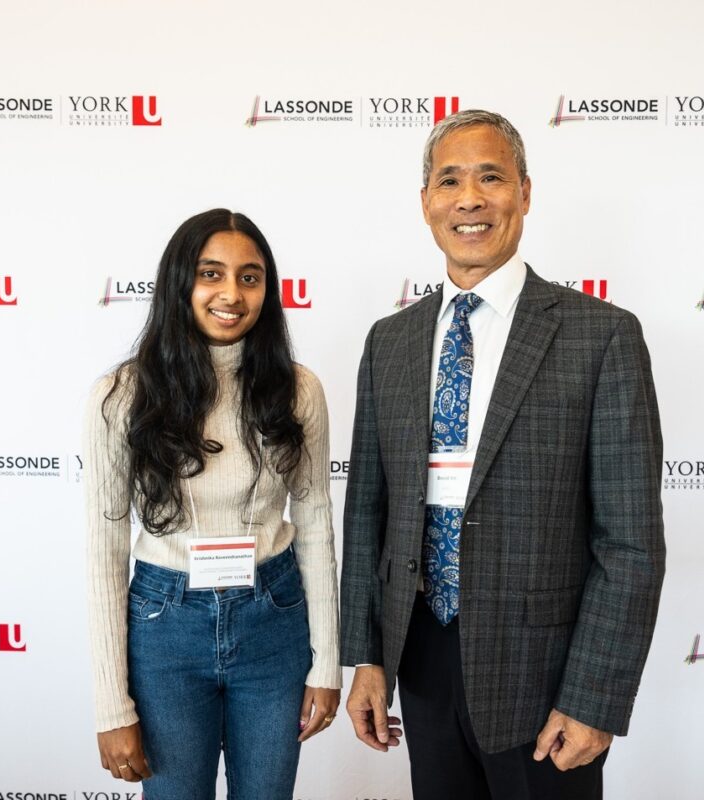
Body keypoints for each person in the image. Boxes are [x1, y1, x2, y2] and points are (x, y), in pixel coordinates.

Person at [340, 110, 665, 799]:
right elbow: (368, 510)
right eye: (449, 181)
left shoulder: (599, 337)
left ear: (524, 191)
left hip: (544, 680)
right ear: (426, 200)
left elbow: (630, 541)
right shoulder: (389, 342)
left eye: (491, 178)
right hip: (422, 659)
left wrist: (594, 697)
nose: (470, 199)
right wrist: (366, 657)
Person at [84, 208, 341, 799]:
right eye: (211, 274)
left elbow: (317, 524)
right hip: (164, 628)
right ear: (181, 284)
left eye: (250, 277)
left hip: (273, 623)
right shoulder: (121, 398)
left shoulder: (300, 391)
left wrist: (327, 662)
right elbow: (104, 553)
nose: (231, 293)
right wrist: (110, 706)